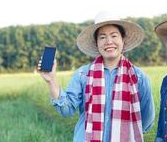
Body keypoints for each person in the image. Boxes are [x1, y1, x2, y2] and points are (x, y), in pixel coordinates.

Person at [38, 11, 155, 142]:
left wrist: (125, 132)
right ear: (96, 43)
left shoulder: (138, 77)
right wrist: (51, 81)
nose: (109, 41)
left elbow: (147, 118)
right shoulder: (83, 74)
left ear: (123, 40)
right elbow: (66, 109)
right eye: (102, 37)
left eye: (114, 36)